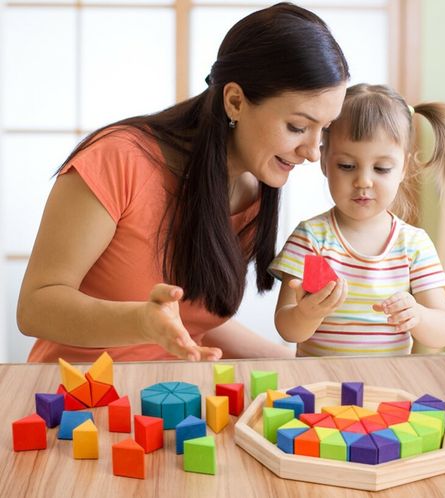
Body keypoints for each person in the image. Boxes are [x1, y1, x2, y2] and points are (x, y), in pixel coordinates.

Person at [17, 3, 349, 362]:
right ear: (235, 101)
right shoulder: (118, 159)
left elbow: (190, 318)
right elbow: (36, 306)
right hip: (78, 395)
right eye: (298, 127)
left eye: (323, 130)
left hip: (177, 397)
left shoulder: (252, 189)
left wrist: (296, 366)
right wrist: (141, 321)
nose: (313, 152)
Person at [270, 83, 445, 357]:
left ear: (403, 168)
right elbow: (286, 328)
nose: (363, 181)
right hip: (322, 387)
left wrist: (417, 314)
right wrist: (306, 314)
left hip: (387, 388)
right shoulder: (311, 238)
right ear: (324, 162)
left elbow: (444, 330)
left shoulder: (413, 244)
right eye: (347, 166)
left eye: (381, 168)